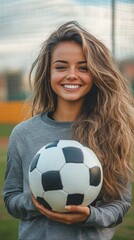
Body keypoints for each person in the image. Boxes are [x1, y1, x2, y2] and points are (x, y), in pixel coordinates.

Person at [3, 21, 134, 240]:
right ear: (49, 72)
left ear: (96, 73)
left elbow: (119, 205)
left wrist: (90, 215)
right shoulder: (23, 134)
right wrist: (37, 202)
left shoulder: (112, 132)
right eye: (61, 67)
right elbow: (11, 199)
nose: (71, 75)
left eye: (83, 67)